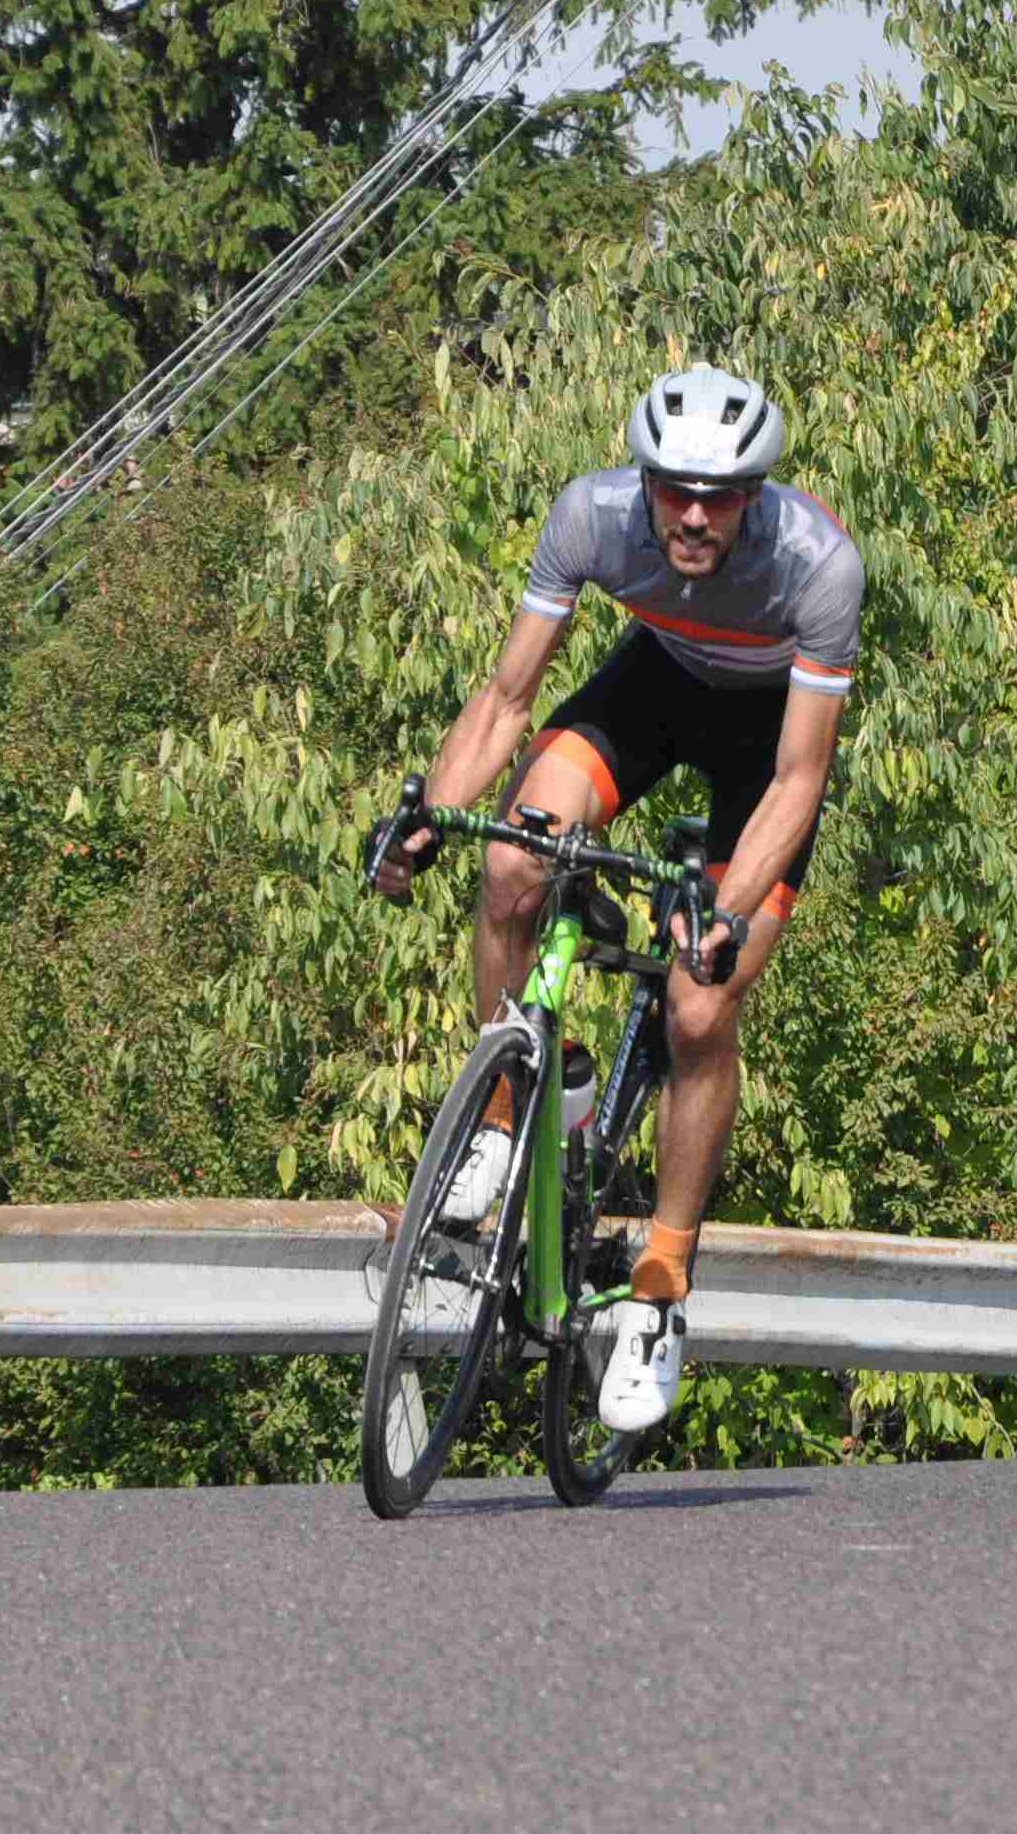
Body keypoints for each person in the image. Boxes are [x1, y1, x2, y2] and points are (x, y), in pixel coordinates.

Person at [364, 361, 859, 1434]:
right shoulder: (589, 518)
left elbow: (798, 778)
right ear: (643, 481)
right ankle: (504, 1113)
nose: (693, 515)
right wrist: (431, 815)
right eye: (673, 489)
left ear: (754, 494)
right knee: (511, 862)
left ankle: (661, 1286)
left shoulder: (817, 565)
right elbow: (507, 697)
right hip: (656, 686)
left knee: (699, 1003)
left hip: (764, 744)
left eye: (717, 496)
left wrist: (725, 916)